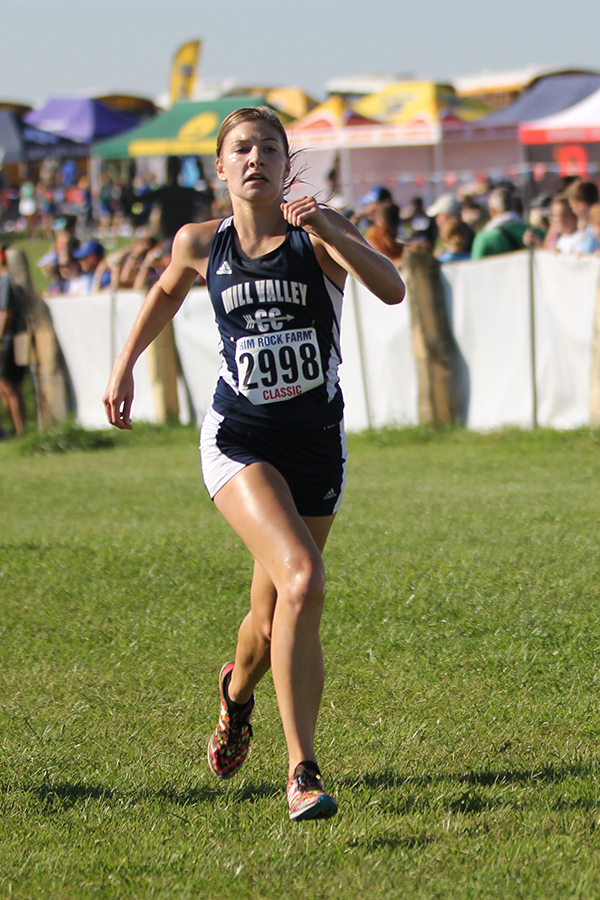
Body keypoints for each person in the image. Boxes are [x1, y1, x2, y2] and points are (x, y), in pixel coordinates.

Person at [103, 106, 405, 822]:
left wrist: (332, 228)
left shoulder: (317, 234)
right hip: (239, 440)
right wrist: (124, 367)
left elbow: (391, 288)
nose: (255, 159)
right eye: (241, 148)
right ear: (220, 167)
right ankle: (302, 772)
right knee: (304, 577)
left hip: (315, 444)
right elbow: (164, 292)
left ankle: (235, 698)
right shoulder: (198, 242)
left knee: (271, 618)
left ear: (286, 164)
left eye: (270, 147)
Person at [0, 245, 27, 435]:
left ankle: (20, 430)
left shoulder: (6, 280)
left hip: (7, 339)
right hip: (7, 338)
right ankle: (15, 428)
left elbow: (5, 312)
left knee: (10, 385)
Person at [471, 186, 543, 259]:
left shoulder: (483, 239)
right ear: (513, 207)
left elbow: (476, 268)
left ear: (492, 211)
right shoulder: (537, 233)